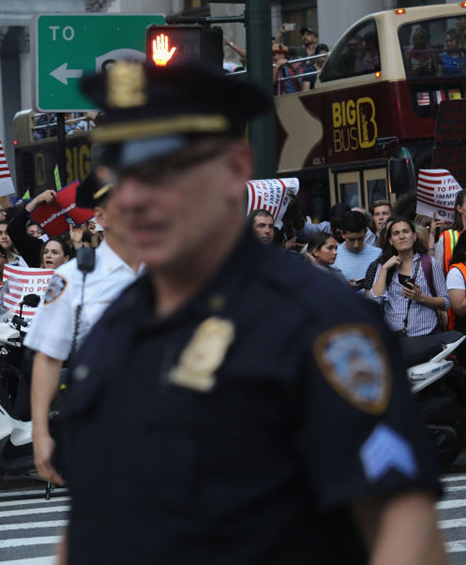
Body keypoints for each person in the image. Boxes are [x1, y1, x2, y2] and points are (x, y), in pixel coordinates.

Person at [56, 61, 444, 564]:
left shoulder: (315, 321)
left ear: (236, 169)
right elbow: (88, 517)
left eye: (162, 169)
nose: (135, 197)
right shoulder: (115, 327)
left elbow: (401, 524)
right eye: (119, 173)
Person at [27, 174, 140, 486]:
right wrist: (40, 434)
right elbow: (48, 358)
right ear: (100, 218)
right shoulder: (74, 277)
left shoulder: (171, 267)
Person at [370, 217, 449, 337]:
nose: (402, 237)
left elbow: (446, 302)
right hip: (395, 338)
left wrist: (421, 297)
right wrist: (385, 269)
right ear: (391, 241)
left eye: (406, 232)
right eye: (396, 233)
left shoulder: (430, 263)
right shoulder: (383, 265)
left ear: (414, 236)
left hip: (426, 335)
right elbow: (375, 301)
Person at [332, 210, 381, 291]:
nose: (356, 245)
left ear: (365, 232)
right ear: (342, 234)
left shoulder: (378, 254)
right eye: (351, 240)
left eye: (360, 239)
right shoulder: (333, 255)